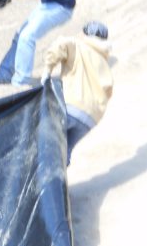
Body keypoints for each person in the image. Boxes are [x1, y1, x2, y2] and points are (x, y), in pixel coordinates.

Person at [43, 21, 114, 163]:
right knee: (64, 151)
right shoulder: (104, 63)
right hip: (90, 119)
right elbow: (108, 91)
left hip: (71, 107)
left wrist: (47, 70)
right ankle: (59, 182)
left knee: (44, 140)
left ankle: (42, 182)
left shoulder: (79, 45)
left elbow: (61, 44)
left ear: (86, 33)